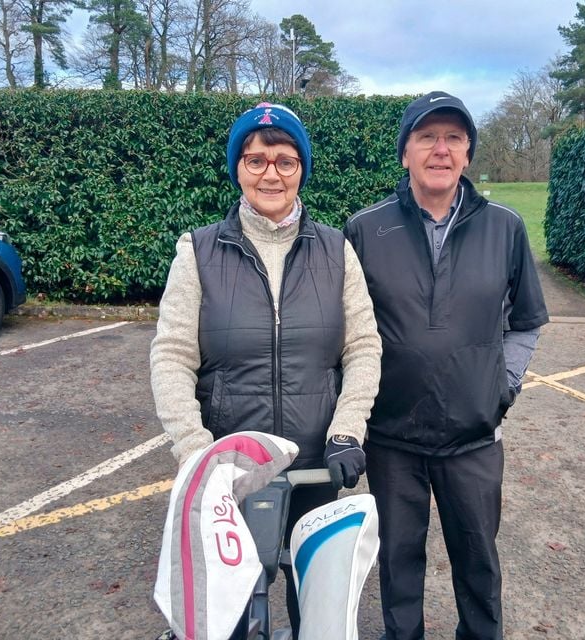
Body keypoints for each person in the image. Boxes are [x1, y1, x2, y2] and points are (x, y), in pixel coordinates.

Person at [150, 102, 381, 639]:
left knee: (314, 613)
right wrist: (196, 453)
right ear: (238, 168)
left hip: (315, 465)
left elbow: (363, 347)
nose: (270, 174)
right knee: (229, 617)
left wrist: (347, 431)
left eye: (285, 161)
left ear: (302, 170)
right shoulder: (198, 251)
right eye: (255, 160)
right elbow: (172, 355)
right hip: (228, 472)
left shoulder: (336, 250)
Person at [344, 91, 549, 640]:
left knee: (479, 564)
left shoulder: (505, 227)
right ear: (404, 152)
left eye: (454, 138)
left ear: (468, 153)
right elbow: (346, 331)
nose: (441, 149)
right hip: (392, 437)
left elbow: (526, 321)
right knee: (398, 562)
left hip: (473, 437)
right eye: (427, 137)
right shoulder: (364, 229)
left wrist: (502, 387)